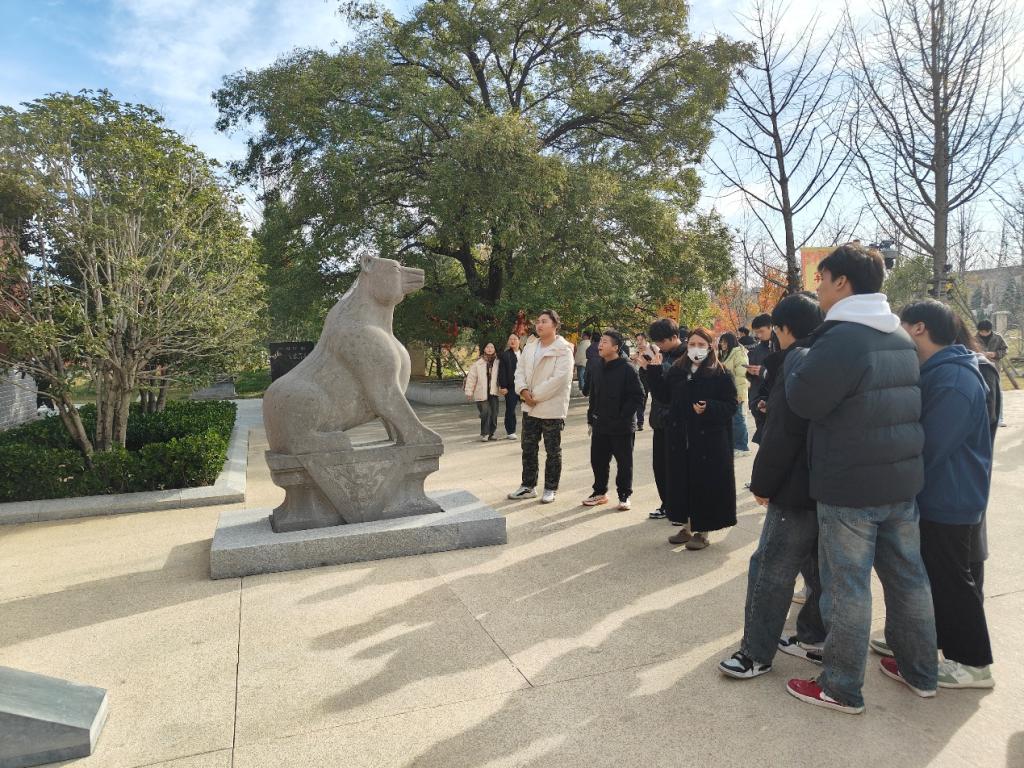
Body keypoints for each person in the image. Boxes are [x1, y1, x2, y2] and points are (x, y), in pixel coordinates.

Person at [783, 242, 936, 715]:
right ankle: (920, 672)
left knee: (847, 587)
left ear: (842, 282)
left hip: (850, 486)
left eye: (822, 280)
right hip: (901, 481)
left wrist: (796, 364)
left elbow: (804, 400)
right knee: (908, 579)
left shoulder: (842, 338)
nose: (819, 290)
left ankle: (841, 686)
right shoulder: (900, 337)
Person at [719, 293, 826, 679]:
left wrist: (763, 483)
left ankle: (755, 653)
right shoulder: (832, 355)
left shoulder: (796, 361)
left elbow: (784, 432)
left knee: (770, 568)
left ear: (783, 329)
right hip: (831, 483)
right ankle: (814, 635)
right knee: (818, 567)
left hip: (796, 485)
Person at [892, 300, 994, 689]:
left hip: (950, 497)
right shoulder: (939, 371)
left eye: (901, 325)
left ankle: (973, 663)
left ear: (919, 328)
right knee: (934, 577)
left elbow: (931, 447)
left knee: (952, 581)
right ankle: (927, 640)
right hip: (939, 494)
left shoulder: (954, 380)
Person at [639, 328, 738, 550]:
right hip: (680, 438)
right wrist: (653, 370)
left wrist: (709, 407)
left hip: (708, 441)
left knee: (704, 484)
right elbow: (664, 396)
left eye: (701, 345)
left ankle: (703, 531)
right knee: (681, 482)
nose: (696, 348)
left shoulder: (721, 373)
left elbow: (731, 405)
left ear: (710, 347)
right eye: (692, 343)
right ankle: (686, 526)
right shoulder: (677, 370)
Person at [507, 310, 575, 503]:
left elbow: (560, 379)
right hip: (530, 406)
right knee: (528, 447)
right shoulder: (530, 347)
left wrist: (533, 396)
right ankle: (528, 486)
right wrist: (523, 391)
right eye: (538, 321)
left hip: (551, 407)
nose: (539, 325)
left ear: (555, 325)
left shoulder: (563, 349)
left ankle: (550, 488)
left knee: (552, 450)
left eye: (544, 321)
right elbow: (519, 371)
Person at [582, 330, 645, 511]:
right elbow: (593, 395)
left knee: (624, 463)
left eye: (605, 342)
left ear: (616, 347)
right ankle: (599, 492)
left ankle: (624, 495)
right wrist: (591, 418)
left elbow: (638, 396)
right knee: (598, 461)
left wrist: (622, 415)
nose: (600, 345)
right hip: (600, 423)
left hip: (622, 426)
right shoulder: (597, 366)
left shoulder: (627, 368)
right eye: (600, 341)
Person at [645, 319, 687, 520]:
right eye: (656, 342)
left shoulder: (687, 356)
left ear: (674, 337)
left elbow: (675, 388)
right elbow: (655, 389)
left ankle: (680, 508)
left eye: (661, 341)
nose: (658, 345)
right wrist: (647, 369)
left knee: (677, 468)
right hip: (659, 419)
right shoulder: (661, 355)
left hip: (677, 421)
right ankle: (666, 504)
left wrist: (658, 367)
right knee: (660, 466)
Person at [718, 332, 750, 454]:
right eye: (721, 341)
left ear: (730, 342)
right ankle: (734, 445)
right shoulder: (724, 354)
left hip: (736, 392)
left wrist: (739, 394)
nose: (722, 344)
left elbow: (742, 375)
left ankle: (742, 447)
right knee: (731, 419)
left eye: (724, 342)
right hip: (727, 393)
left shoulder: (738, 353)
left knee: (738, 419)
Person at [464, 342, 500, 441]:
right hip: (481, 392)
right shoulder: (478, 363)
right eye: (487, 347)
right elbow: (471, 378)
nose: (489, 349)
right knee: (485, 412)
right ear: (484, 349)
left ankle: (492, 433)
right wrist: (469, 392)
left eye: (492, 347)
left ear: (494, 349)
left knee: (494, 413)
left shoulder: (498, 362)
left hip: (493, 392)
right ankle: (485, 433)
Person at [976, 320, 1009, 427]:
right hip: (979, 368)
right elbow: (969, 350)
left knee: (998, 393)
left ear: (990, 330)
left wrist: (995, 354)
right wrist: (980, 354)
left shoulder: (998, 338)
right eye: (981, 332)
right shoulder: (973, 338)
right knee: (981, 393)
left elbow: (1005, 350)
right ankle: (983, 419)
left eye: (986, 332)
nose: (984, 334)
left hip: (995, 369)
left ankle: (999, 419)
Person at [746, 314, 773, 442]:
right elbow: (750, 376)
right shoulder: (757, 349)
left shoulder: (778, 347)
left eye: (761, 331)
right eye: (757, 332)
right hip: (757, 398)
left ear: (771, 327)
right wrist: (750, 372)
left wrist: (764, 372)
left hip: (771, 399)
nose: (759, 335)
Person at [497, 334, 522, 440]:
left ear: (519, 341)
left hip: (525, 386)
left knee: (529, 408)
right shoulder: (505, 355)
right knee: (510, 409)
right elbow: (502, 372)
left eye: (515, 339)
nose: (513, 341)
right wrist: (503, 386)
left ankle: (531, 429)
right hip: (511, 387)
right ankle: (511, 431)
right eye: (510, 339)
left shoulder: (525, 353)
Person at [629, 333, 651, 431]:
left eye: (641, 340)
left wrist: (643, 356)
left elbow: (654, 362)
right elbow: (634, 365)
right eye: (637, 340)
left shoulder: (652, 348)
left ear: (645, 339)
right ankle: (640, 423)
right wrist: (634, 358)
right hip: (642, 375)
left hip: (653, 375)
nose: (639, 342)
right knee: (642, 399)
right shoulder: (638, 351)